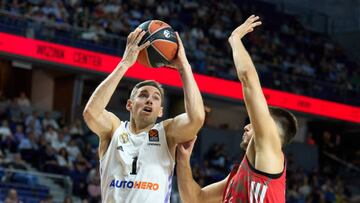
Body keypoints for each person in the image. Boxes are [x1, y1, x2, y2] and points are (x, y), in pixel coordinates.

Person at [176, 15, 298, 203]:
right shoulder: (241, 174)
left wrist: (235, 38)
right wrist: (183, 159)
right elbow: (195, 199)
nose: (247, 127)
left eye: (253, 123)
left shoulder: (270, 150)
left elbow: (248, 79)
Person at [83, 28, 205, 202]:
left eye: (156, 98)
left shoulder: (167, 133)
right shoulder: (114, 129)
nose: (149, 100)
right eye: (143, 95)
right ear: (129, 105)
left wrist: (184, 67)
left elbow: (197, 119)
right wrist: (125, 63)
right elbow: (91, 113)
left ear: (160, 110)